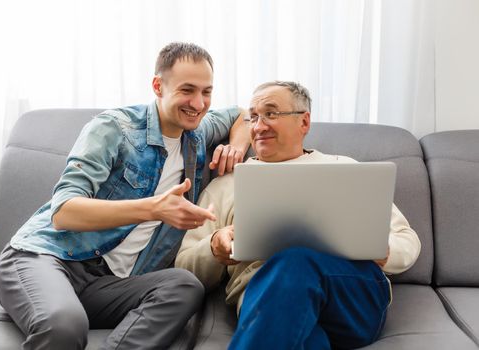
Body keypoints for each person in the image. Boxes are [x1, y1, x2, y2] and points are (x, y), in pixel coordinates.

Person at [0, 42, 250, 350]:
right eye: (187, 90)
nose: (198, 102)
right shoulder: (115, 128)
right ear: (158, 86)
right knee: (65, 326)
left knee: (184, 286)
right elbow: (64, 212)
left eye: (207, 92)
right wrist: (154, 209)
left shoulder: (197, 134)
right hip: (46, 259)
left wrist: (234, 146)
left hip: (107, 284)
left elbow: (243, 114)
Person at [175, 81, 421, 349]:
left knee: (295, 260)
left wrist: (385, 251)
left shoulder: (344, 169)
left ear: (304, 122)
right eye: (253, 117)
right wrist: (214, 248)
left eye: (271, 114)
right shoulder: (226, 185)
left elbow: (407, 239)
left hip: (350, 294)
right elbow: (184, 267)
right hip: (268, 303)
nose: (258, 126)